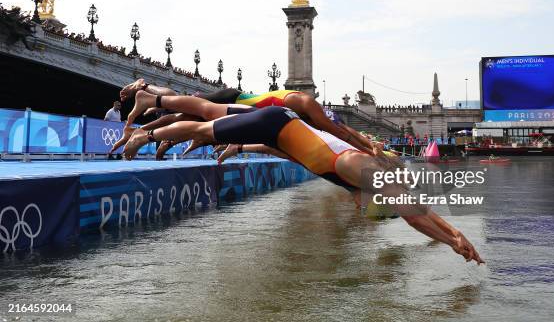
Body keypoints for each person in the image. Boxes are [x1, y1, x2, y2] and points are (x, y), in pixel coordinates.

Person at [122, 104, 484, 265]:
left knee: (206, 125)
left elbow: (286, 153)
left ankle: (152, 131)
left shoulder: (340, 175)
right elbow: (416, 216)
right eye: (370, 209)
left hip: (276, 129)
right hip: (276, 120)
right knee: (201, 125)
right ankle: (145, 133)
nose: (359, 211)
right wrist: (453, 238)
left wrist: (242, 147)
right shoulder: (360, 170)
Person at [116, 79, 375, 156]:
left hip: (241, 104)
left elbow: (341, 131)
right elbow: (338, 131)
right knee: (193, 111)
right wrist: (368, 147)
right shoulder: (309, 107)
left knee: (183, 115)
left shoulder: (306, 109)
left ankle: (150, 126)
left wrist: (366, 144)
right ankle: (148, 93)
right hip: (236, 99)